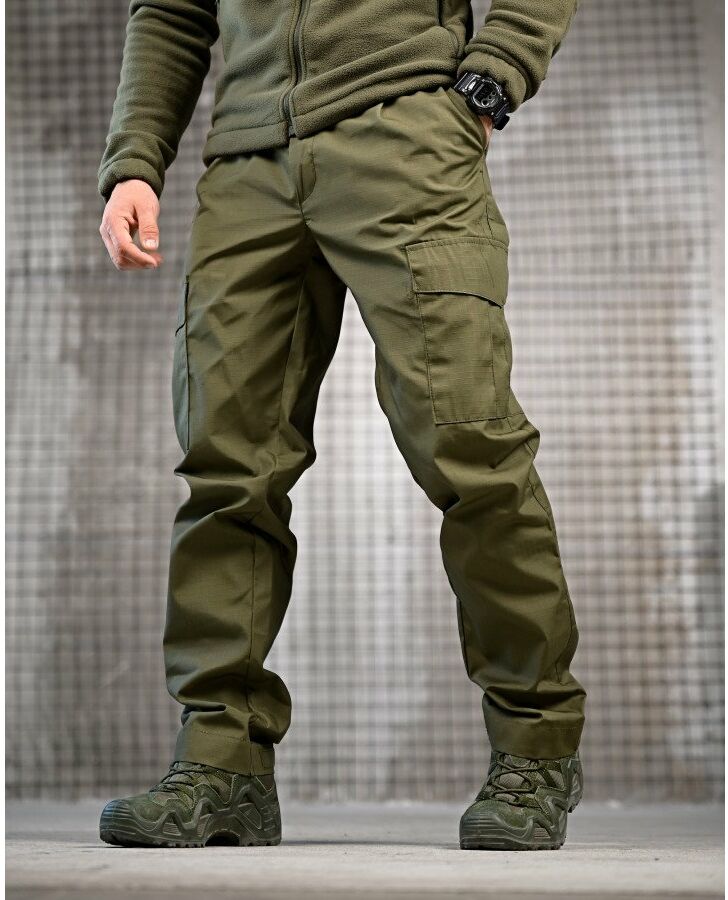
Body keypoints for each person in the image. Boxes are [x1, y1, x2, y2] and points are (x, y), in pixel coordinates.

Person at [97, 0, 586, 851]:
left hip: (404, 131)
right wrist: (136, 159)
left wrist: (494, 75)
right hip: (246, 159)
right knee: (226, 471)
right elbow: (172, 10)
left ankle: (535, 751)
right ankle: (223, 765)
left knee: (470, 449)